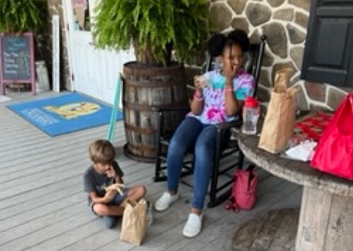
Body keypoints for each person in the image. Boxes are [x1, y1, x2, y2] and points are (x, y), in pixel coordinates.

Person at [154, 29, 254, 238]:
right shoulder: (209, 77)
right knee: (176, 144)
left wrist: (228, 82)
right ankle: (171, 191)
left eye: (239, 57)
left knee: (202, 148)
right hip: (198, 119)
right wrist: (199, 91)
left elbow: (232, 111)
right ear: (220, 58)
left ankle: (196, 210)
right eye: (231, 57)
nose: (237, 62)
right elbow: (197, 110)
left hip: (219, 127)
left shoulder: (246, 81)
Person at [83, 139, 147, 229]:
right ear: (94, 162)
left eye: (109, 163)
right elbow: (94, 198)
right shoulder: (88, 175)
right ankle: (126, 211)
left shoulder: (113, 165)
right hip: (101, 200)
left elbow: (121, 185)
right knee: (100, 210)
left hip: (116, 196)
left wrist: (116, 176)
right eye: (104, 164)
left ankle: (114, 212)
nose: (108, 166)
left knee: (141, 189)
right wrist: (105, 199)